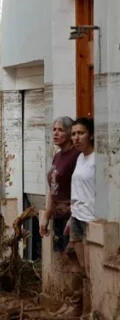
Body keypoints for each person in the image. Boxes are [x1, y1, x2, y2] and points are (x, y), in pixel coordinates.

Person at [41, 117, 80, 258]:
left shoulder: (76, 156)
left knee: (73, 259)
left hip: (71, 215)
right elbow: (53, 189)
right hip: (58, 215)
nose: (55, 133)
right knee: (62, 258)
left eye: (60, 130)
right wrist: (46, 215)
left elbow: (80, 188)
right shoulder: (57, 156)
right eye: (54, 130)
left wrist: (73, 216)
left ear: (70, 133)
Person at [69, 117, 96, 275]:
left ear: (90, 135)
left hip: (90, 218)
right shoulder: (80, 157)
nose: (76, 138)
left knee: (91, 266)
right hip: (76, 216)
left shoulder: (98, 158)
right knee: (83, 268)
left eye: (81, 133)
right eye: (73, 134)